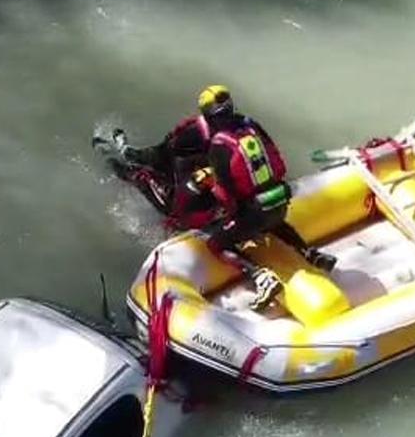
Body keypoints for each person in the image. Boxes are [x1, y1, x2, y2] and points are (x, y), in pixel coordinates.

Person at [129, 84, 334, 306]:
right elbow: (278, 162)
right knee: (274, 222)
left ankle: (259, 276)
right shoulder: (251, 125)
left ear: (208, 116)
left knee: (216, 244)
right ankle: (310, 252)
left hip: (252, 215)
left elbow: (226, 195)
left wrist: (221, 206)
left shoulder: (219, 145)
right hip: (280, 203)